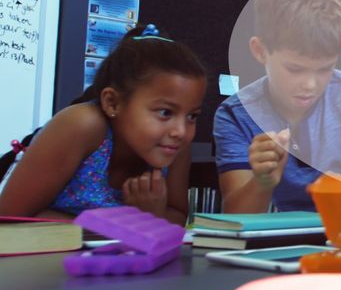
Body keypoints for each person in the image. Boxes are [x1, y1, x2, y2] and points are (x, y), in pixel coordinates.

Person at [0, 24, 206, 225]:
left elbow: (177, 215)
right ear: (112, 103)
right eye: (165, 112)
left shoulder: (176, 144)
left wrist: (151, 216)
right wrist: (127, 225)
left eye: (192, 116)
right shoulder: (82, 125)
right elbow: (9, 219)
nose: (181, 131)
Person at [214, 0, 341, 213]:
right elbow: (237, 217)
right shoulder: (235, 115)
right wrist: (262, 182)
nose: (310, 85)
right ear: (260, 51)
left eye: (325, 69)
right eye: (295, 69)